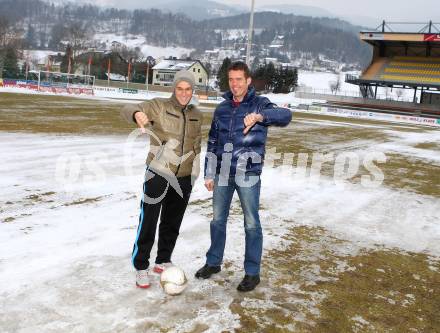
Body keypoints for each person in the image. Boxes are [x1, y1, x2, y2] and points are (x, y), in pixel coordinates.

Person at [195, 61, 292, 292]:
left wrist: (259, 117)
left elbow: (285, 115)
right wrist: (209, 172)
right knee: (217, 220)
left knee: (251, 223)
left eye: (239, 79)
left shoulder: (260, 104)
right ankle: (213, 262)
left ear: (248, 81)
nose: (235, 84)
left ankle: (252, 272)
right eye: (231, 79)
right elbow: (213, 141)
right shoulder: (222, 108)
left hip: (248, 173)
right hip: (222, 172)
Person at [121, 70, 202, 289]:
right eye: (180, 88)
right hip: (158, 172)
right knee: (148, 220)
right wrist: (137, 115)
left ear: (192, 90)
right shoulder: (159, 106)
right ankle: (141, 266)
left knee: (172, 222)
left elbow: (197, 145)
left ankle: (163, 260)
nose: (184, 93)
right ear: (173, 89)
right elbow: (128, 108)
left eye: (188, 89)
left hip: (184, 177)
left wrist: (194, 173)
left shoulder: (197, 114)